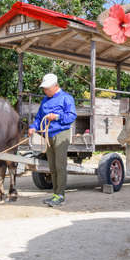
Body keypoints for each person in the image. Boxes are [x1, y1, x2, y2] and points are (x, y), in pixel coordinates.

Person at [28, 73, 76, 206]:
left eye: (47, 88)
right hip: (48, 135)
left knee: (60, 166)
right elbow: (39, 117)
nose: (45, 91)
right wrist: (33, 127)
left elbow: (72, 116)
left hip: (61, 134)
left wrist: (57, 117)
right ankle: (55, 194)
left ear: (55, 86)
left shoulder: (66, 98)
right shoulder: (45, 100)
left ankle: (60, 195)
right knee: (52, 166)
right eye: (44, 89)